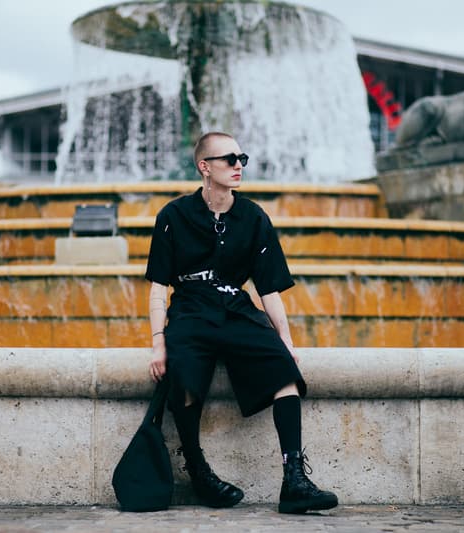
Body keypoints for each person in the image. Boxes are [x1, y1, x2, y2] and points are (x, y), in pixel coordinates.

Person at [145, 131, 338, 514]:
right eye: (229, 159)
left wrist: (285, 338)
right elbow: (157, 287)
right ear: (205, 167)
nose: (238, 166)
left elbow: (268, 288)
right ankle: (198, 471)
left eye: (241, 159)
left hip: (236, 309)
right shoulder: (173, 216)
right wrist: (157, 341)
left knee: (285, 372)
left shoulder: (252, 217)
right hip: (190, 310)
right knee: (183, 378)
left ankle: (294, 478)